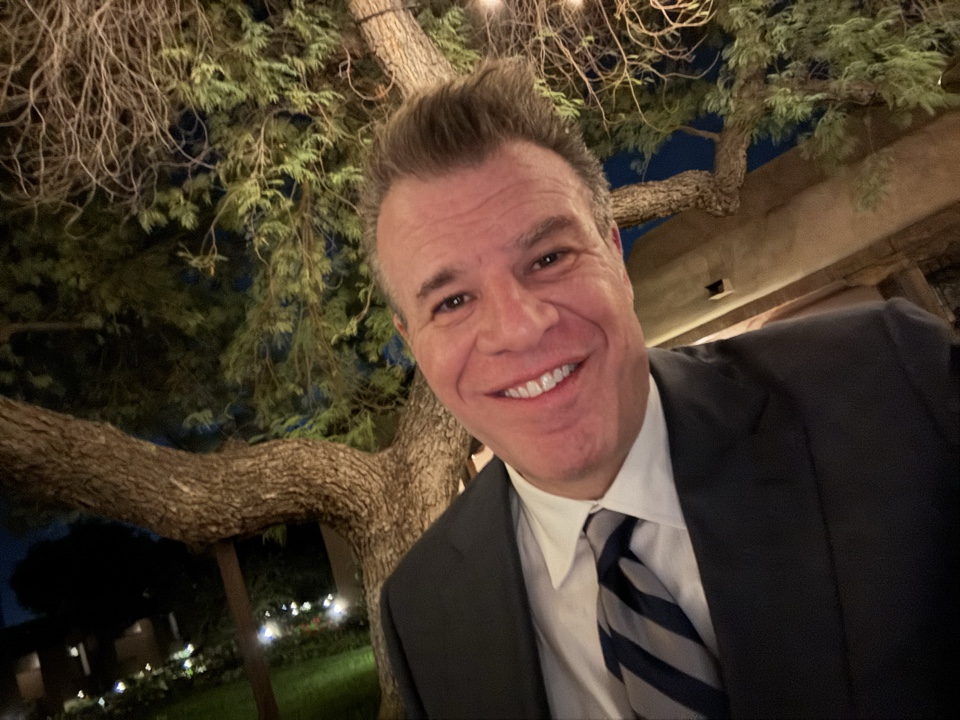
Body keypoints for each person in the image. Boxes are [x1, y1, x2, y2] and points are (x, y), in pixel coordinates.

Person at [359, 59, 959, 720]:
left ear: (615, 255)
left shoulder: (890, 385)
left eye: (549, 258)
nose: (520, 328)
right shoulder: (422, 614)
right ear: (412, 342)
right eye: (451, 301)